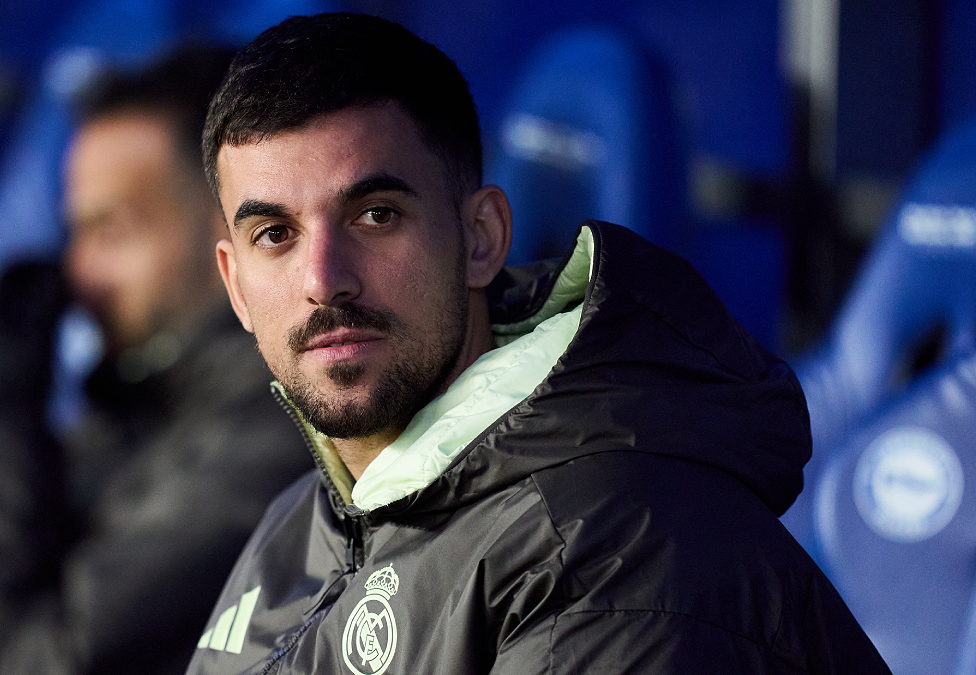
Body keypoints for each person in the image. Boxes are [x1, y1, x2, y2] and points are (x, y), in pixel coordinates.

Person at [185, 13, 891, 674]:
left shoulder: (615, 554)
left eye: (375, 215)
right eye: (274, 234)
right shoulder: (304, 515)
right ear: (236, 287)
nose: (323, 279)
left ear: (481, 239)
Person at [0, 44, 310, 675]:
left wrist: (4, 415)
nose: (77, 275)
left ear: (237, 226)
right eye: (74, 234)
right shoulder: (142, 411)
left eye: (112, 232)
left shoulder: (281, 434)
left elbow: (10, 662)